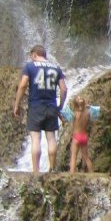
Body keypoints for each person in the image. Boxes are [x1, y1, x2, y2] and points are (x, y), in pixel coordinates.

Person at [13, 44, 67, 173]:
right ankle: (52, 168)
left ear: (34, 55)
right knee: (51, 138)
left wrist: (17, 104)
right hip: (51, 106)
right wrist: (60, 106)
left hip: (36, 106)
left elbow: (23, 85)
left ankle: (35, 170)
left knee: (36, 138)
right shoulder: (56, 68)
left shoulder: (30, 66)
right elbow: (64, 89)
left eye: (31, 57)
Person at [69, 96, 94, 174]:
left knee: (73, 156)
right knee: (86, 157)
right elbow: (96, 111)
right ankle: (92, 173)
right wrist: (88, 106)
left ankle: (71, 174)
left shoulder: (75, 113)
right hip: (84, 136)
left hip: (76, 137)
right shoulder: (87, 112)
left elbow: (66, 117)